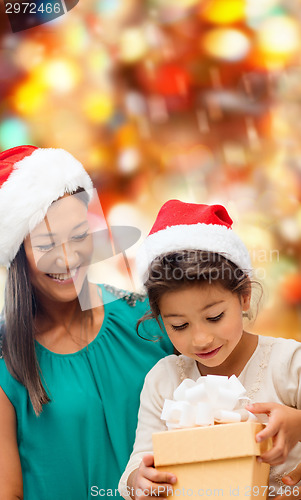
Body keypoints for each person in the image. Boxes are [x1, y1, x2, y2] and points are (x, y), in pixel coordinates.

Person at [0, 145, 173, 500]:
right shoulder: (6, 362)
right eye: (47, 244)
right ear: (17, 253)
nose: (68, 257)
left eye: (79, 236)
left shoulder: (145, 319)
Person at [118, 199, 301, 500]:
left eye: (214, 317)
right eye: (179, 325)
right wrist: (139, 479)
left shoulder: (288, 365)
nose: (201, 339)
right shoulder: (164, 381)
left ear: (244, 297)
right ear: (160, 318)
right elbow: (138, 465)